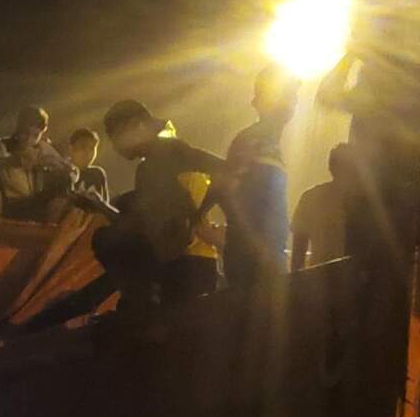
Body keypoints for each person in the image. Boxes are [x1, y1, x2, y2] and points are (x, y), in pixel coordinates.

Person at [88, 99, 230, 305]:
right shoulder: (147, 168)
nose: (115, 147)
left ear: (138, 126)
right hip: (169, 264)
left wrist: (198, 215)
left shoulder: (170, 150)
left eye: (116, 137)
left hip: (190, 264)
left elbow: (224, 170)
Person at [316, 43, 420, 265]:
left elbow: (326, 95)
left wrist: (350, 56)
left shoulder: (380, 97)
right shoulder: (419, 78)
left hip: (373, 199)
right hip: (395, 202)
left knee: (361, 271)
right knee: (389, 274)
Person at [211, 66, 301, 295]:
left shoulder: (268, 142)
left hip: (265, 253)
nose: (291, 104)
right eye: (285, 95)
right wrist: (256, 245)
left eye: (293, 96)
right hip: (254, 260)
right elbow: (223, 190)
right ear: (259, 102)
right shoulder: (253, 140)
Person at [0, 105, 73, 223]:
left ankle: (49, 229)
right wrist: (11, 162)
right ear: (18, 128)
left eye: (35, 135)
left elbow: (72, 173)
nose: (29, 139)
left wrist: (60, 168)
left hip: (33, 204)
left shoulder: (45, 149)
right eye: (25, 133)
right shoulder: (2, 146)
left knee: (64, 181)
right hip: (9, 205)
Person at [290, 142, 353, 271]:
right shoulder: (363, 203)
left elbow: (298, 250)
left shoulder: (311, 197)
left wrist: (296, 283)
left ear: (330, 167)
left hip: (318, 279)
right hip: (351, 279)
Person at [68, 128, 110, 202]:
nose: (87, 153)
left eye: (92, 148)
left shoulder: (97, 174)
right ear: (71, 149)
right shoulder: (63, 172)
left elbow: (105, 204)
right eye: (83, 147)